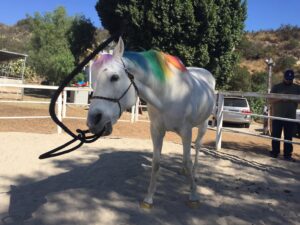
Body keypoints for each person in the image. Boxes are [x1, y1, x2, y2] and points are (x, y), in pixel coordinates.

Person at [269, 69, 300, 161]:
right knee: (275, 135)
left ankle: (287, 155)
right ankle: (275, 152)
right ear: (284, 78)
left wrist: (290, 98)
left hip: (290, 117)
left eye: (290, 79)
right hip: (277, 115)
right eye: (287, 79)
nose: (289, 80)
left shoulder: (297, 88)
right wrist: (281, 98)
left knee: (288, 137)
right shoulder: (276, 87)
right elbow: (270, 100)